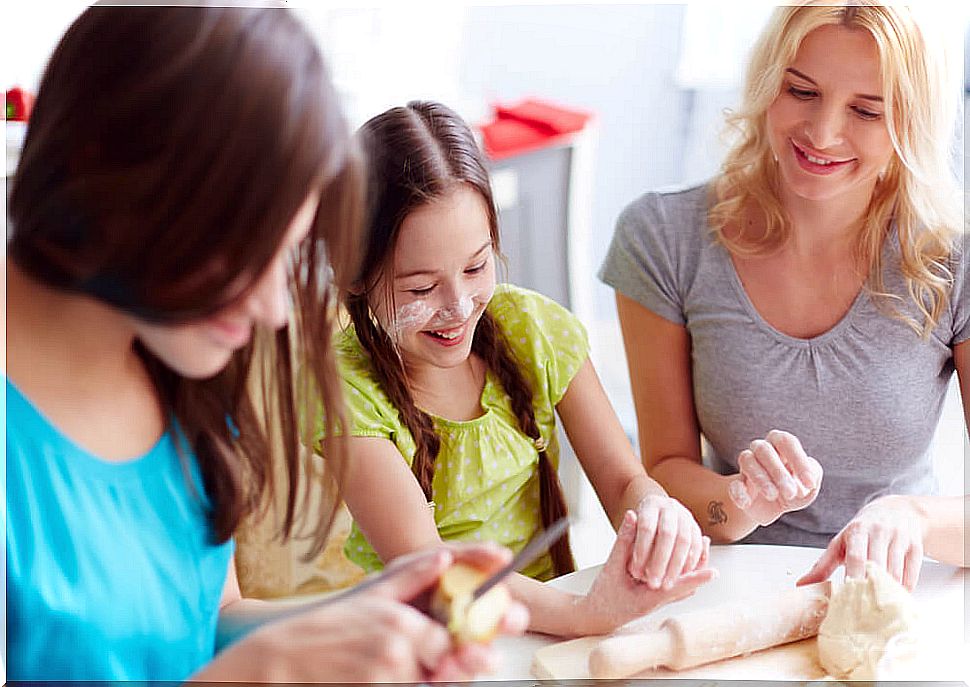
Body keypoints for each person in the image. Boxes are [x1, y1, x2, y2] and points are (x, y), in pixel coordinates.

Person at [5, 5, 527, 683]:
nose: (275, 308)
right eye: (250, 252)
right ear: (124, 182)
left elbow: (207, 624)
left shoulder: (175, 368)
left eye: (285, 258)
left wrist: (382, 609)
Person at [600, 0, 967, 592]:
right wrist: (739, 503)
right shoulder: (664, 237)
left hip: (899, 593)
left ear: (912, 122)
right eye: (800, 91)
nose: (822, 133)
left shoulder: (955, 259)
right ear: (766, 83)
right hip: (731, 589)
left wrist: (912, 517)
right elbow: (665, 472)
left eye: (867, 111)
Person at [323, 100, 716, 639]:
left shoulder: (533, 330)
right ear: (356, 275)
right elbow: (428, 569)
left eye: (476, 266)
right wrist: (585, 616)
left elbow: (623, 479)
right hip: (429, 646)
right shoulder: (345, 390)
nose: (458, 305)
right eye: (420, 287)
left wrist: (654, 511)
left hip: (548, 627)